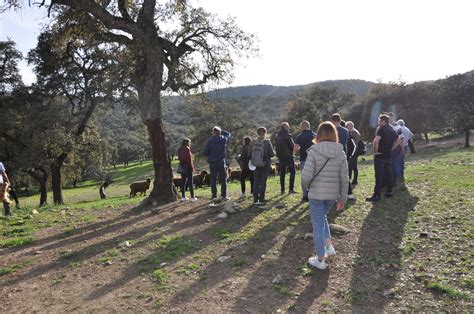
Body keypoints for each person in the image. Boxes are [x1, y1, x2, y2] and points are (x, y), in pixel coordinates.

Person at [302, 122, 348, 270]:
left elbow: (306, 176)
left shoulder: (313, 151)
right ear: (335, 134)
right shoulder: (341, 153)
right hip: (332, 195)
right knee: (323, 218)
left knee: (317, 225)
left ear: (319, 134)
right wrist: (342, 198)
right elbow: (344, 178)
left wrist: (306, 188)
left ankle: (320, 260)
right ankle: (328, 247)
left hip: (316, 194)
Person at [366, 114, 401, 202]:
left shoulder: (382, 129)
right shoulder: (392, 129)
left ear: (383, 121)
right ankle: (389, 192)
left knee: (379, 176)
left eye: (379, 120)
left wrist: (375, 151)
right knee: (389, 174)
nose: (378, 122)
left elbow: (376, 141)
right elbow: (398, 141)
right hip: (388, 155)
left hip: (380, 156)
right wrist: (391, 149)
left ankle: (377, 195)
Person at [331, 114, 355, 200]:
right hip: (343, 154)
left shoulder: (332, 130)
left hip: (334, 155)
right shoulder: (345, 130)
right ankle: (349, 193)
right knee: (345, 176)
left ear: (333, 121)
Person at [204, 126, 231, 201]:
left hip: (212, 162)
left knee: (213, 179)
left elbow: (205, 152)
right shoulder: (223, 139)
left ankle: (214, 195)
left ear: (213, 132)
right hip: (221, 161)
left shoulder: (210, 141)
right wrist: (220, 132)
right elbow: (228, 134)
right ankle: (223, 195)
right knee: (223, 179)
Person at [249, 126, 275, 205]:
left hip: (255, 164)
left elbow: (249, 154)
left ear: (257, 133)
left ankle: (255, 199)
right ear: (265, 132)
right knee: (263, 181)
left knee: (256, 181)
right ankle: (261, 199)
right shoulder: (267, 142)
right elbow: (272, 154)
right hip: (265, 164)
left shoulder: (253, 142)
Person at [294, 120, 316, 202]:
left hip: (303, 159)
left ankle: (305, 195)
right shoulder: (314, 135)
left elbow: (295, 149)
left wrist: (298, 152)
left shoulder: (299, 136)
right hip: (314, 159)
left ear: (302, 127)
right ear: (308, 126)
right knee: (314, 176)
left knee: (304, 178)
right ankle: (314, 194)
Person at [275, 122, 296, 195]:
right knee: (293, 172)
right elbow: (292, 146)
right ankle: (291, 189)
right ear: (285, 128)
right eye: (288, 126)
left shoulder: (277, 137)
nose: (289, 127)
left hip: (281, 157)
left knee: (282, 173)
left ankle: (282, 190)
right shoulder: (288, 135)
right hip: (289, 156)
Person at [346, 121, 361, 185]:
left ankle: (352, 180)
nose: (346, 127)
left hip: (354, 151)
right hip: (354, 151)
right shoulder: (353, 132)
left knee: (352, 166)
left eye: (347, 126)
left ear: (351, 126)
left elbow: (354, 143)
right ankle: (354, 180)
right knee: (353, 166)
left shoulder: (354, 132)